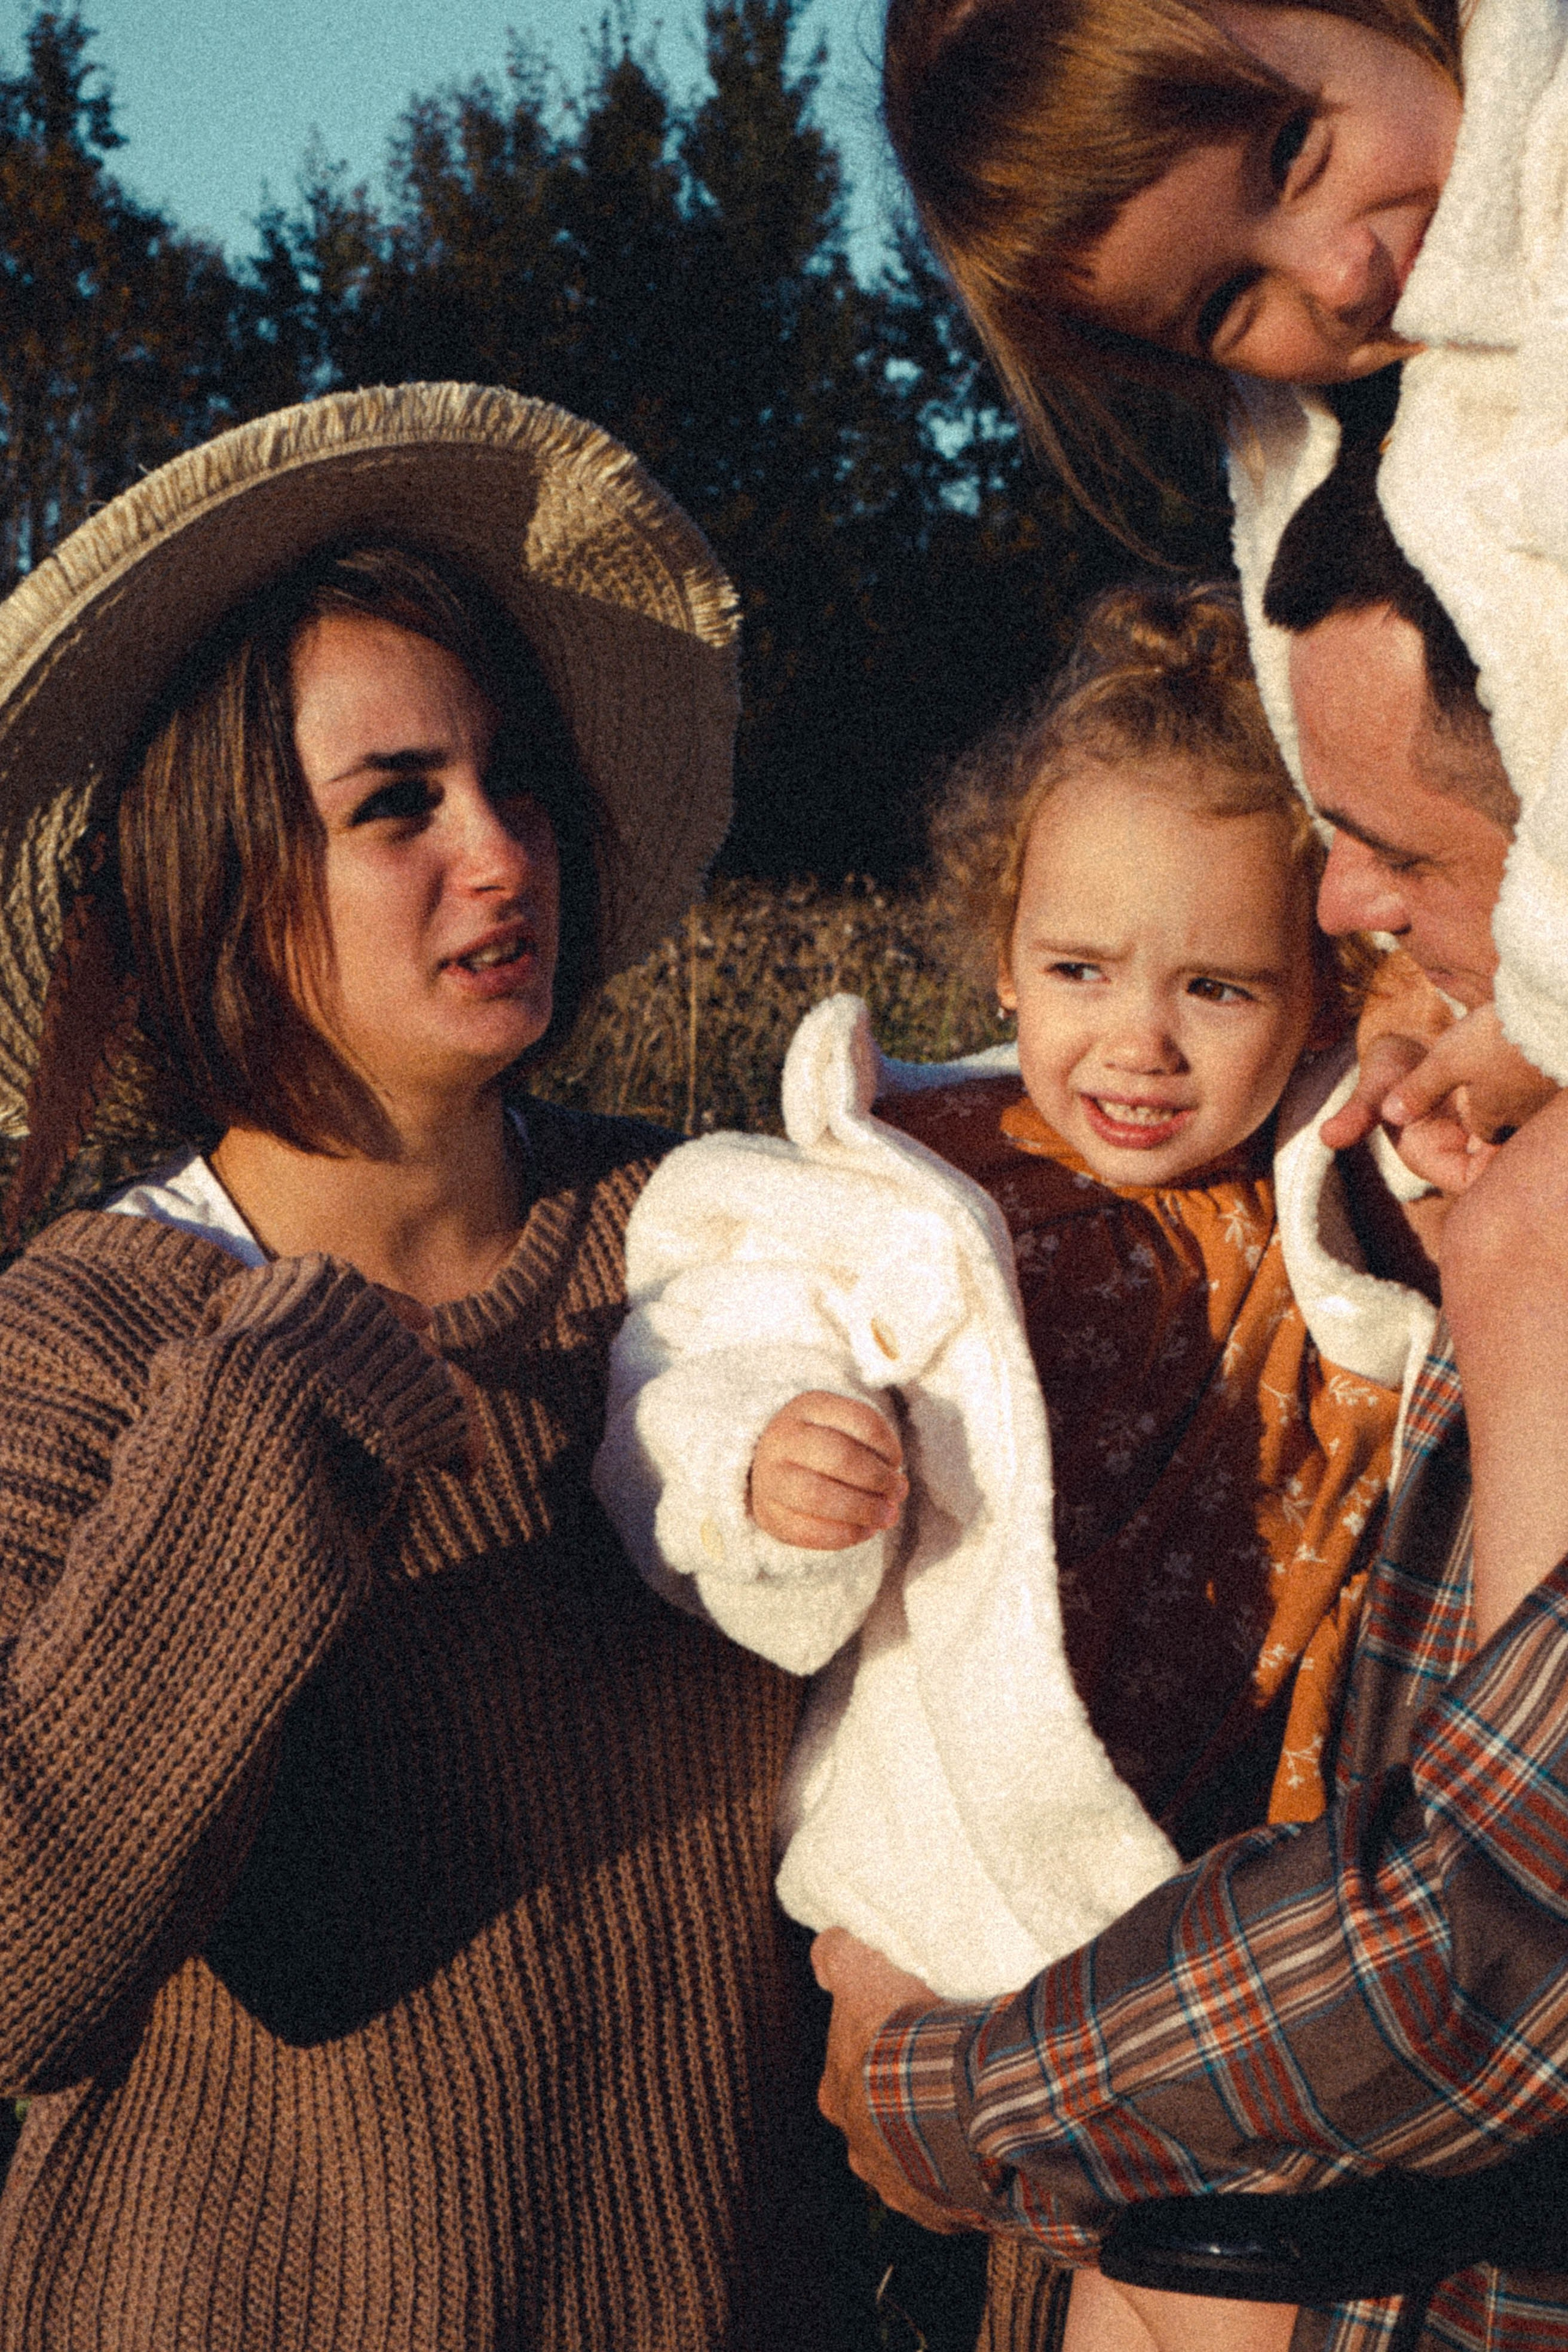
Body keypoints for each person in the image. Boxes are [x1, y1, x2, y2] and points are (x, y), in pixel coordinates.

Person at [0, 382, 840, 2351]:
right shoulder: (90, 1336)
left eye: (514, 783)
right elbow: (25, 1977)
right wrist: (278, 1397)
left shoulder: (710, 1239)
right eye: (395, 806)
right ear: (224, 877)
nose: (501, 850)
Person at [595, 579, 1436, 2351]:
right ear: (1001, 958)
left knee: (1203, 2291)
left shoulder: (1336, 1183)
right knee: (1160, 2288)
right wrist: (766, 1467)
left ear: (1317, 995)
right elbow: (712, 1338)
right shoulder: (919, 1181)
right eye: (1081, 973)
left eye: (1219, 986)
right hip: (985, 1865)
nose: (1138, 1044)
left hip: (1249, 1873)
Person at [810, 435, 1568, 2352]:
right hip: (1150, 2057)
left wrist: (938, 2085)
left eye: (1397, 852)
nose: (1347, 912)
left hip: (1272, 2131)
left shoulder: (1417, 1181)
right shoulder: (950, 1175)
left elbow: (1476, 1936)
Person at [881, 0, 1568, 1093]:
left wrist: (1545, 1016)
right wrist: (1417, 991)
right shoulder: (1325, 434)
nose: (1341, 276)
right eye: (1228, 304)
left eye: (1295, 149)